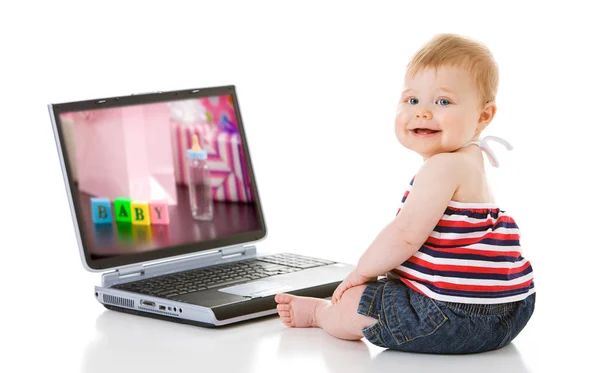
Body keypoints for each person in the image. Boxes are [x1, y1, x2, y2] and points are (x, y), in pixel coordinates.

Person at [274, 33, 535, 354]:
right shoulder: (472, 160)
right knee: (393, 289)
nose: (422, 112)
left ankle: (321, 313)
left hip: (454, 318)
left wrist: (360, 273)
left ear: (483, 116)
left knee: (359, 299)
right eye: (412, 100)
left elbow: (405, 235)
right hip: (512, 311)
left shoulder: (442, 167)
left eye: (442, 102)